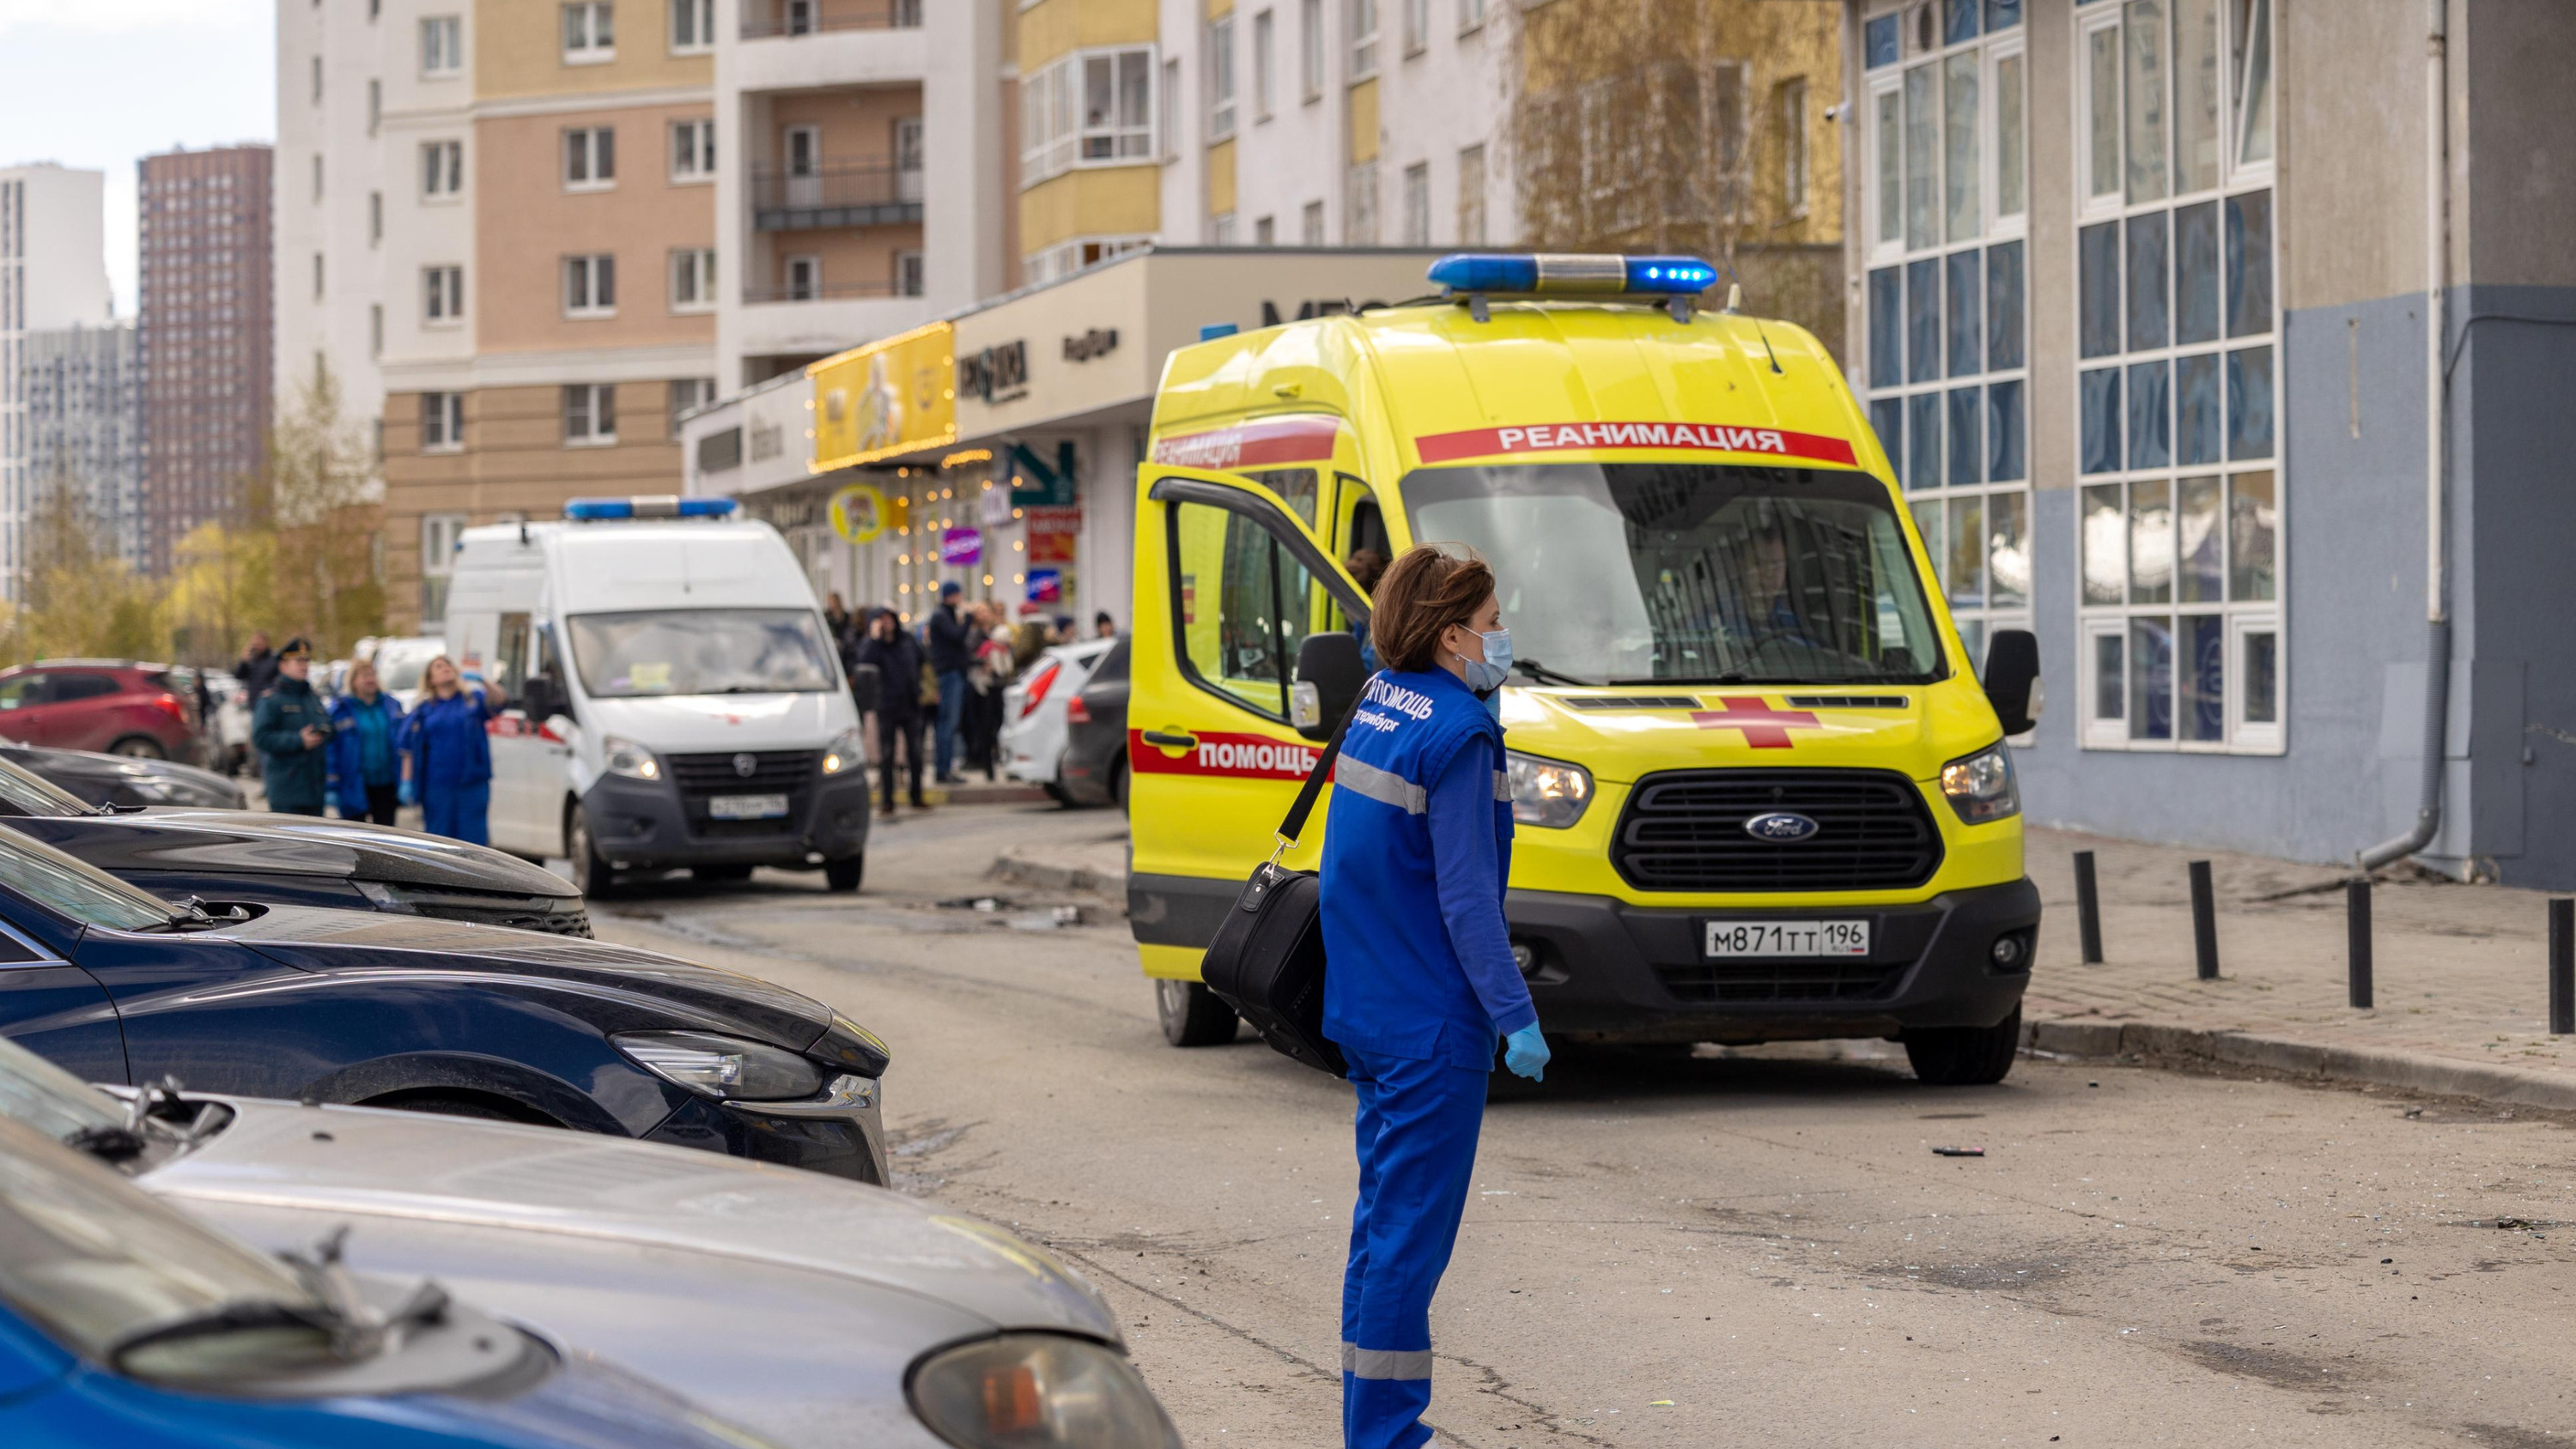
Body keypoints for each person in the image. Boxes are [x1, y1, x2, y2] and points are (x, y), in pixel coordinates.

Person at [1317, 544, 1548, 1449]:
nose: (1501, 640)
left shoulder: (1382, 701)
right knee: (1408, 1240)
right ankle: (1384, 1436)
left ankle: (1369, 1424)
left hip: (1370, 1010)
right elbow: (1467, 897)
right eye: (1492, 625)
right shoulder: (1459, 731)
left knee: (1382, 1229)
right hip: (1428, 1026)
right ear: (1453, 634)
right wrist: (1516, 1013)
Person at [402, 654, 503, 845]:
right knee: (440, 840)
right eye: (439, 667)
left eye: (448, 664)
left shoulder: (472, 700)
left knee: (474, 842)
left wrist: (483, 681)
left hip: (471, 783)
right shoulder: (424, 710)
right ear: (431, 680)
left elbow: (500, 702)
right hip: (437, 786)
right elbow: (408, 747)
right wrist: (406, 781)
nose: (446, 668)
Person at [852, 607, 928, 814]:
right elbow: (864, 661)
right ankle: (888, 800)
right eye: (882, 619)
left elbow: (921, 658)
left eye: (889, 619)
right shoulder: (874, 645)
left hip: (910, 703)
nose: (887, 623)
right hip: (886, 704)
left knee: (915, 752)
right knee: (887, 754)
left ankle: (917, 795)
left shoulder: (906, 640)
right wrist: (875, 638)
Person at [249, 638, 331, 816]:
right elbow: (261, 737)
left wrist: (324, 732)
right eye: (298, 661)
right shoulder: (271, 700)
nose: (304, 666)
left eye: (306, 661)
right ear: (283, 666)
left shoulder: (312, 697)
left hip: (314, 790)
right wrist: (298, 740)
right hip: (287, 792)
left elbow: (328, 724)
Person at [325, 659, 407, 826]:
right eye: (365, 675)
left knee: (386, 839)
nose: (371, 679)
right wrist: (331, 784)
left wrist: (406, 780)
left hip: (386, 784)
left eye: (373, 674)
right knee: (355, 839)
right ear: (353, 680)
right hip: (353, 784)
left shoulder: (391, 705)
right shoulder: (341, 710)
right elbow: (330, 750)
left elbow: (403, 742)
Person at [926, 580, 973, 785]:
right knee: (947, 723)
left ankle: (945, 768)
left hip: (952, 673)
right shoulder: (941, 616)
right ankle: (943, 769)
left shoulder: (944, 615)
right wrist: (968, 619)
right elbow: (957, 636)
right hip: (948, 674)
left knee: (948, 723)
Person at [1345, 547, 1389, 671]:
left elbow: (1360, 672)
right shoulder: (1363, 627)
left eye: (1342, 607)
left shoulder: (1381, 633)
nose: (1344, 612)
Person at [237, 630, 280, 707]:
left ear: (266, 642)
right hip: (253, 703)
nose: (257, 645)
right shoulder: (250, 660)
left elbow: (281, 679)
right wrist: (244, 662)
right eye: (255, 643)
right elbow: (239, 676)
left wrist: (273, 690)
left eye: (259, 642)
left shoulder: (274, 659)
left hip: (270, 703)